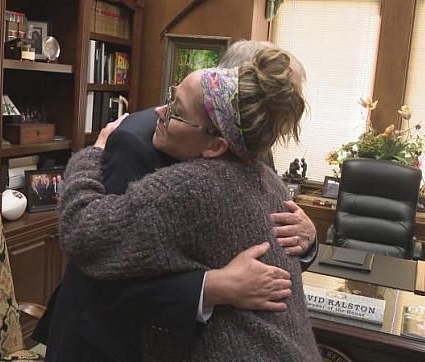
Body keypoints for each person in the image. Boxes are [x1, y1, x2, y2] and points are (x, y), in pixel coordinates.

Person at [38, 41, 318, 361]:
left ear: (217, 144)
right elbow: (101, 273)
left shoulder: (244, 159)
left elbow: (83, 231)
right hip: (107, 342)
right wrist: (211, 287)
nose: (161, 109)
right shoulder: (135, 141)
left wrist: (306, 239)